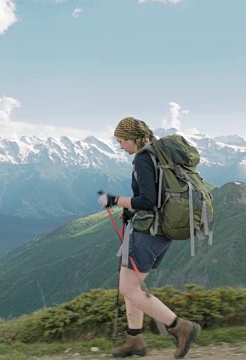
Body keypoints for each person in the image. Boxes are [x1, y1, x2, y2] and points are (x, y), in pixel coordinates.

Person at [97, 117, 200, 359]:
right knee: (132, 287)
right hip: (162, 231)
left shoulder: (144, 158)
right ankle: (135, 340)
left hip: (149, 233)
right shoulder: (157, 155)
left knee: (128, 288)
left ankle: (181, 327)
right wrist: (131, 210)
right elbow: (158, 196)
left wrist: (114, 200)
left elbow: (149, 201)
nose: (121, 146)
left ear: (133, 139)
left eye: (121, 141)